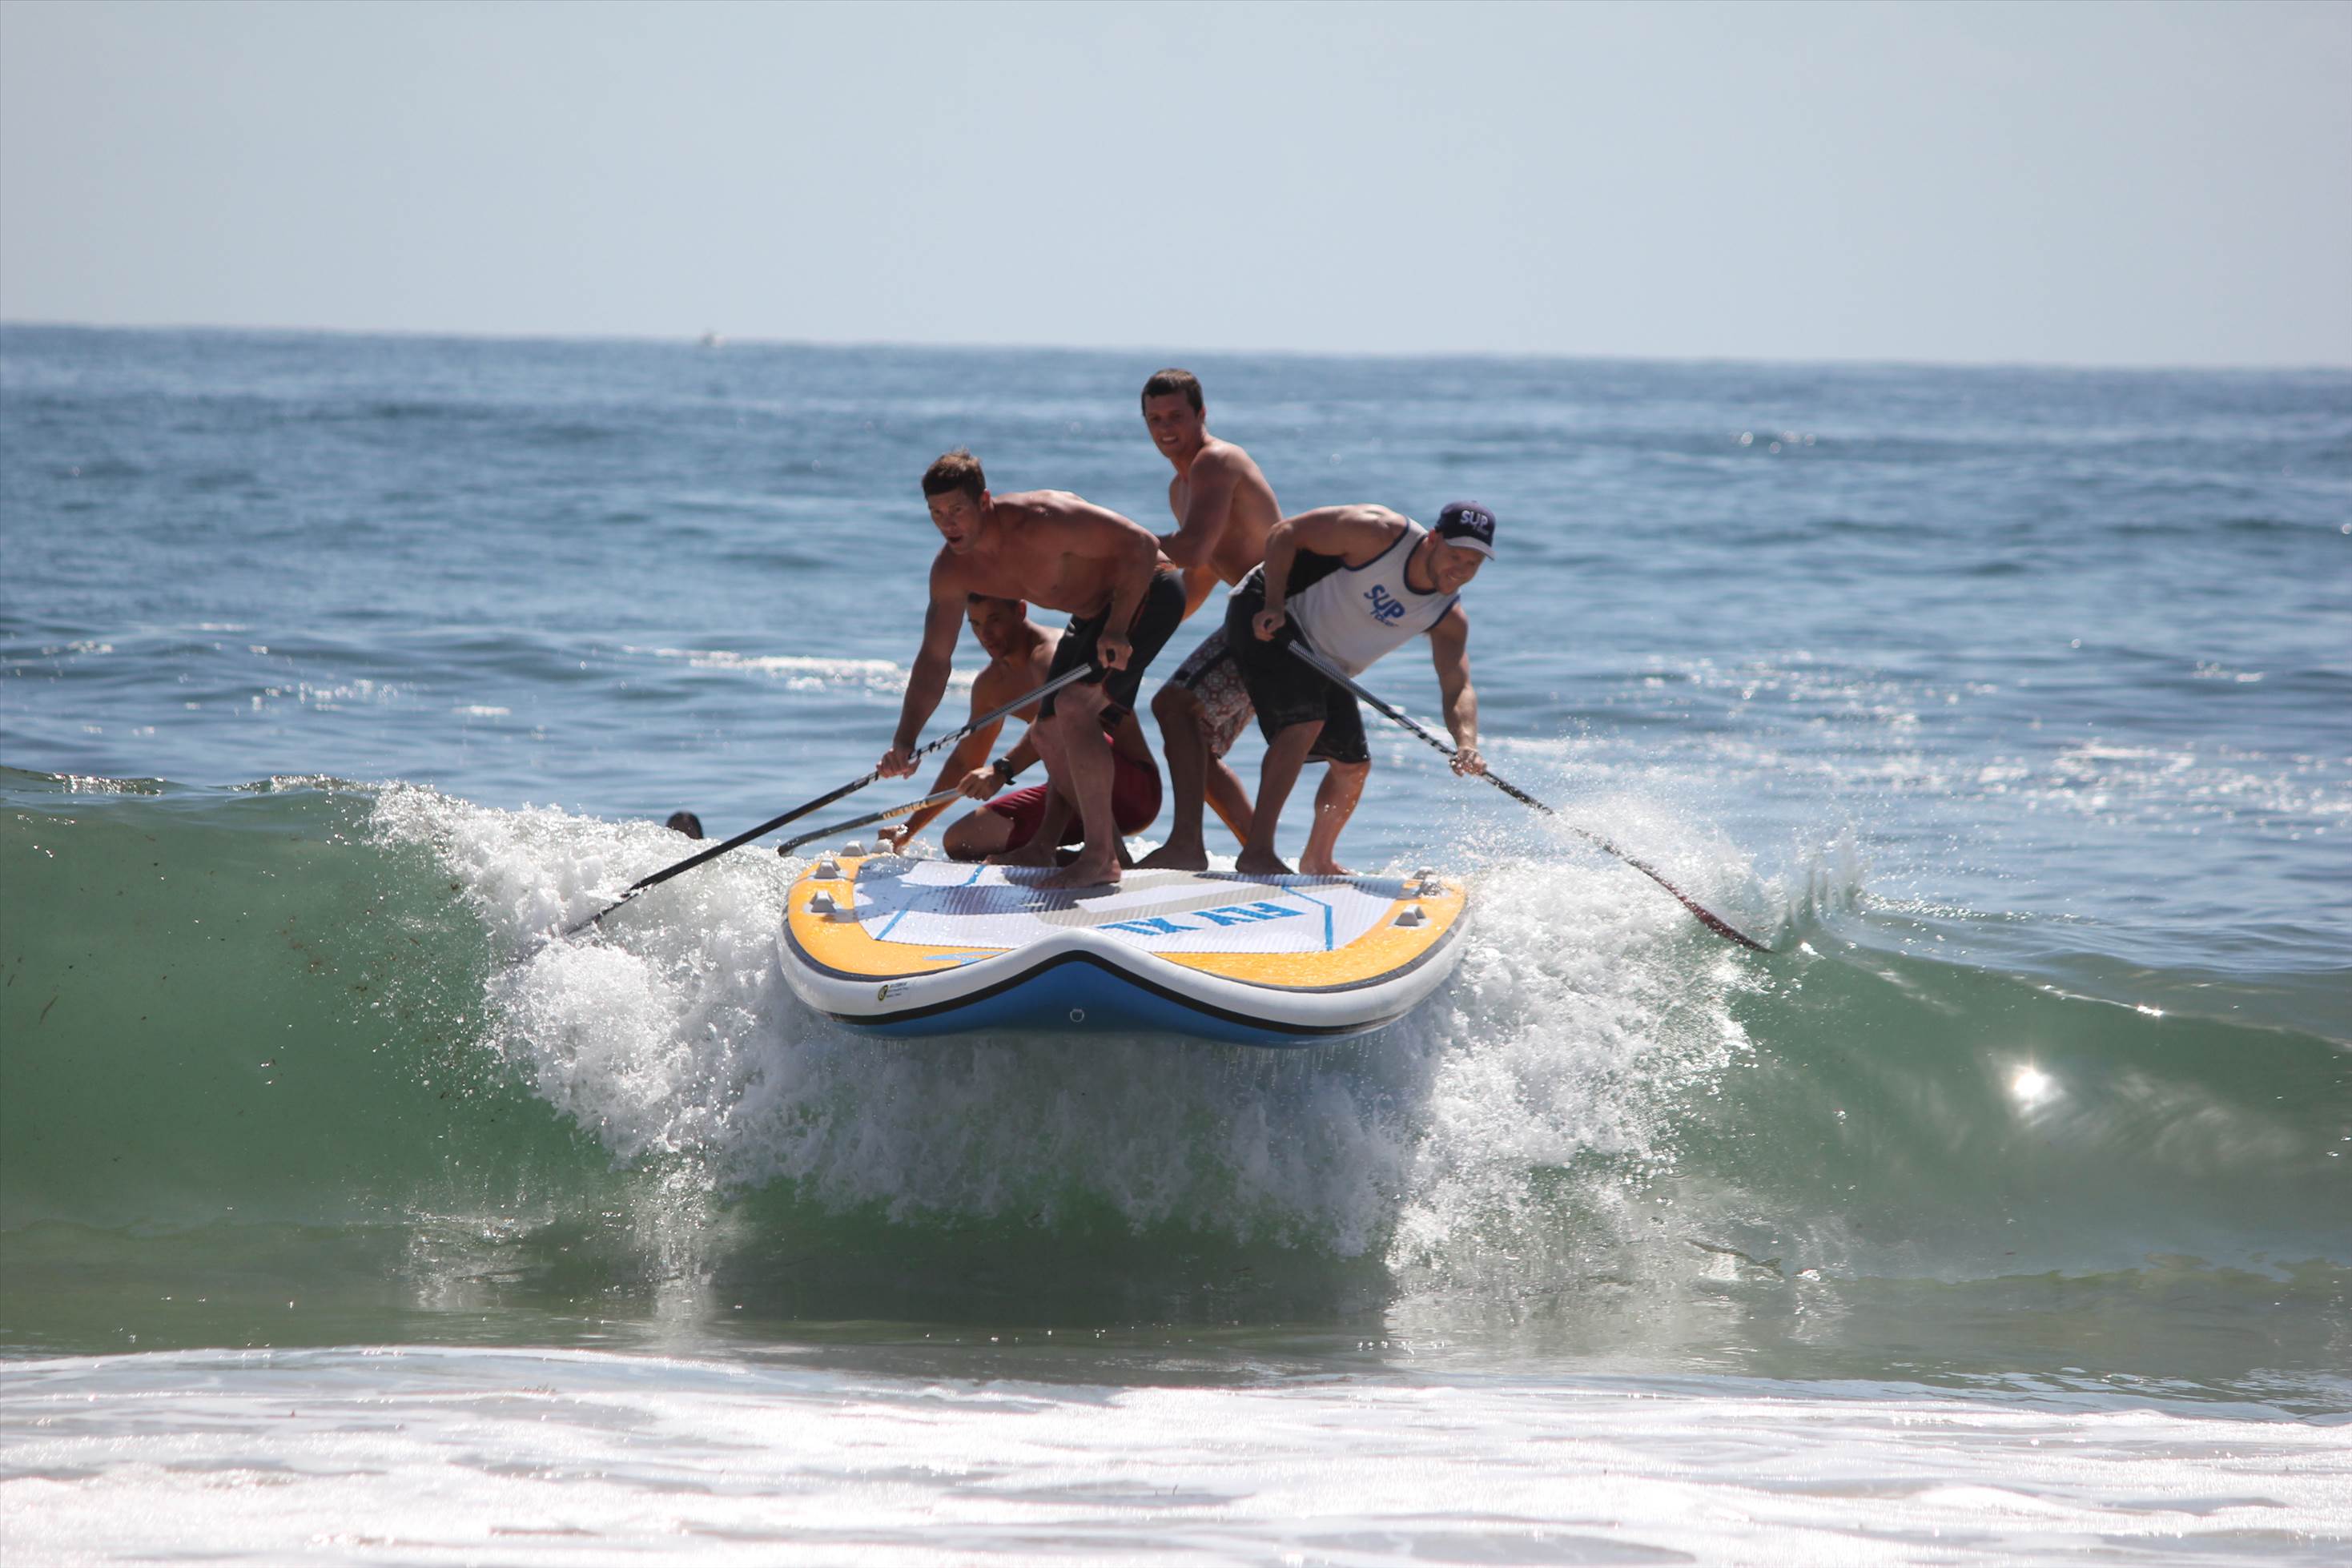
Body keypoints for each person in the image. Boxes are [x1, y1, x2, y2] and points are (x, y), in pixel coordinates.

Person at [876, 448, 1184, 888]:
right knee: (1046, 730)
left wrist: (1117, 628)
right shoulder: (952, 569)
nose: (948, 524)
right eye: (936, 513)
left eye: (958, 510)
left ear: (984, 502)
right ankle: (1062, 848)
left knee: (1075, 708)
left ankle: (1103, 858)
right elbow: (934, 659)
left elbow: (1142, 545)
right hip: (1091, 616)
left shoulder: (1042, 517)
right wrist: (905, 740)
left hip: (1148, 590)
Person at [1229, 501, 1496, 875]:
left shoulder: (1447, 616)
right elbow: (1283, 533)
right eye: (1455, 556)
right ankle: (1257, 852)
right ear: (1433, 539)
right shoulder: (1380, 533)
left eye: (1473, 564)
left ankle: (1317, 860)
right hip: (1276, 619)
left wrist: (1467, 744)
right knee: (1304, 724)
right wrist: (1273, 603)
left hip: (1327, 664)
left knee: (1353, 767)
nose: (1461, 571)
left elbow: (1457, 684)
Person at [1128, 368, 1297, 872]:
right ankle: (1261, 856)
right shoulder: (1180, 490)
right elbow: (1201, 574)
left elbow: (1192, 547)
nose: (1165, 428)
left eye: (1176, 416)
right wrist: (1136, 638)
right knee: (1190, 737)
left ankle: (1186, 847)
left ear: (1202, 415)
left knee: (1174, 708)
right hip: (1249, 616)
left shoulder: (1217, 462)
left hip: (1282, 616)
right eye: (1154, 419)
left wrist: (1118, 548)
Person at [875, 594, 1162, 860]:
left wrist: (1001, 771)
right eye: (975, 624)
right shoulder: (992, 685)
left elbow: (1059, 731)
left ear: (1020, 611)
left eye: (994, 620)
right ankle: (1063, 857)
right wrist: (908, 830)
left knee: (1059, 726)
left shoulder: (1050, 655)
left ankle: (1104, 854)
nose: (985, 635)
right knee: (962, 842)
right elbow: (966, 760)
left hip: (1133, 790)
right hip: (1077, 794)